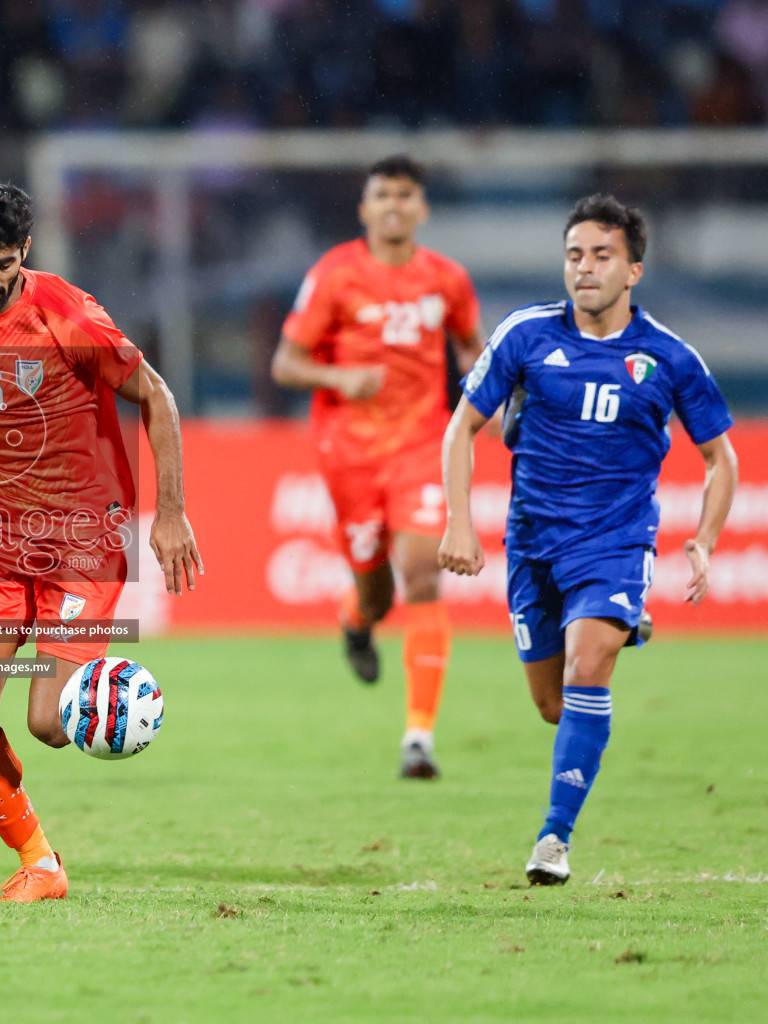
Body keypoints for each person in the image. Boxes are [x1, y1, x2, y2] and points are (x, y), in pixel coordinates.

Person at [0, 181, 203, 902]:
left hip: (83, 534)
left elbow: (157, 396)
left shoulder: (66, 312)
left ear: (24, 251)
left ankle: (110, 691)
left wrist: (170, 513)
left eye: (3, 264)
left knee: (49, 723)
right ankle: (40, 863)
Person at [439, 194, 737, 885]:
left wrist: (705, 540)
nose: (585, 268)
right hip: (533, 540)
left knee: (585, 669)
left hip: (615, 538)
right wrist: (459, 520)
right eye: (575, 255)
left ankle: (554, 838)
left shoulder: (667, 357)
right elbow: (461, 428)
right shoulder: (525, 336)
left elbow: (723, 457)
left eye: (602, 256)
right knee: (552, 705)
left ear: (633, 270)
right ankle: (622, 625)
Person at [271, 154, 485, 779]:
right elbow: (286, 362)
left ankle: (418, 737)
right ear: (364, 209)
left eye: (405, 194)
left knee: (422, 573)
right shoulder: (335, 275)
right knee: (378, 591)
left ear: (422, 208)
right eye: (382, 194)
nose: (394, 204)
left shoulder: (447, 280)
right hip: (350, 453)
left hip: (422, 444)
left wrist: (491, 394)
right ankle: (355, 615)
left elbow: (473, 348)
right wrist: (340, 375)